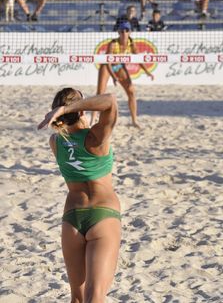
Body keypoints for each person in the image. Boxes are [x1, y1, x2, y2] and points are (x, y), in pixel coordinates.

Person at [37, 88, 121, 303]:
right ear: (82, 111)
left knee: (77, 297)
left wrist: (63, 110)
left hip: (72, 219)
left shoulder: (55, 142)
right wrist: (69, 107)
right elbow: (110, 101)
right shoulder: (96, 138)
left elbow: (69, 133)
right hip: (103, 215)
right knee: (95, 297)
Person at [91, 21, 154, 128]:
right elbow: (108, 61)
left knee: (131, 91)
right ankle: (93, 120)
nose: (124, 33)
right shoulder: (113, 43)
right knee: (100, 93)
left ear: (130, 32)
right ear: (118, 32)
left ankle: (134, 121)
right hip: (107, 66)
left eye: (126, 30)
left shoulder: (131, 43)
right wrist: (114, 77)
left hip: (119, 66)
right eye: (122, 31)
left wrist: (147, 72)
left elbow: (139, 59)